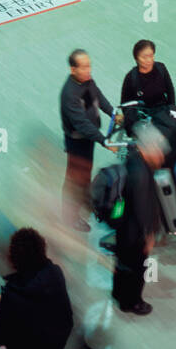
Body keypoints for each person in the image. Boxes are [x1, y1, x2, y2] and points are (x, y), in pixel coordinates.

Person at [60, 49, 121, 231]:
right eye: (84, 67)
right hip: (77, 142)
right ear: (73, 69)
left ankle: (86, 202)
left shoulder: (87, 80)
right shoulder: (69, 94)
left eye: (89, 65)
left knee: (85, 175)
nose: (89, 70)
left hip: (88, 140)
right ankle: (69, 218)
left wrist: (112, 112)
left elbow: (97, 96)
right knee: (75, 179)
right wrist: (104, 141)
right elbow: (82, 124)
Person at [113, 122, 166, 317]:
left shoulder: (133, 160)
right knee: (136, 270)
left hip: (123, 230)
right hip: (135, 235)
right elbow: (143, 209)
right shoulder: (141, 174)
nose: (160, 155)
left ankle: (118, 294)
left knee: (122, 264)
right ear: (147, 148)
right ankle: (132, 302)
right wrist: (149, 235)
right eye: (158, 150)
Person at [119, 40, 176, 136]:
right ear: (136, 58)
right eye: (144, 57)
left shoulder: (161, 69)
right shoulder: (131, 78)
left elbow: (170, 91)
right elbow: (125, 104)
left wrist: (172, 111)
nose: (149, 60)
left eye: (151, 56)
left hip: (162, 111)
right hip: (142, 116)